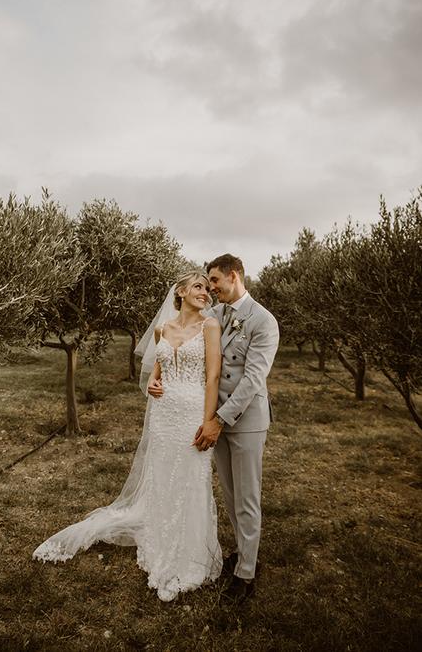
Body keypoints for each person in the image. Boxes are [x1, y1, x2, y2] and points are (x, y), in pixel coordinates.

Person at [33, 271, 223, 602]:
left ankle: (189, 553)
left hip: (192, 415)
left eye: (208, 288)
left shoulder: (209, 327)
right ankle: (161, 539)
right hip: (164, 416)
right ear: (179, 292)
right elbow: (157, 373)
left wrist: (209, 421)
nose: (205, 292)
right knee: (162, 478)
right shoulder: (164, 329)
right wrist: (152, 385)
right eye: (198, 286)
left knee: (192, 479)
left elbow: (213, 376)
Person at [194, 254, 279, 602]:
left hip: (245, 422)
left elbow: (252, 380)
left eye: (215, 280)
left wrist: (218, 420)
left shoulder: (263, 321)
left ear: (234, 276)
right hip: (217, 420)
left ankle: (246, 575)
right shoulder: (214, 315)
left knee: (247, 498)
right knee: (229, 494)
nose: (211, 288)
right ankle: (245, 552)